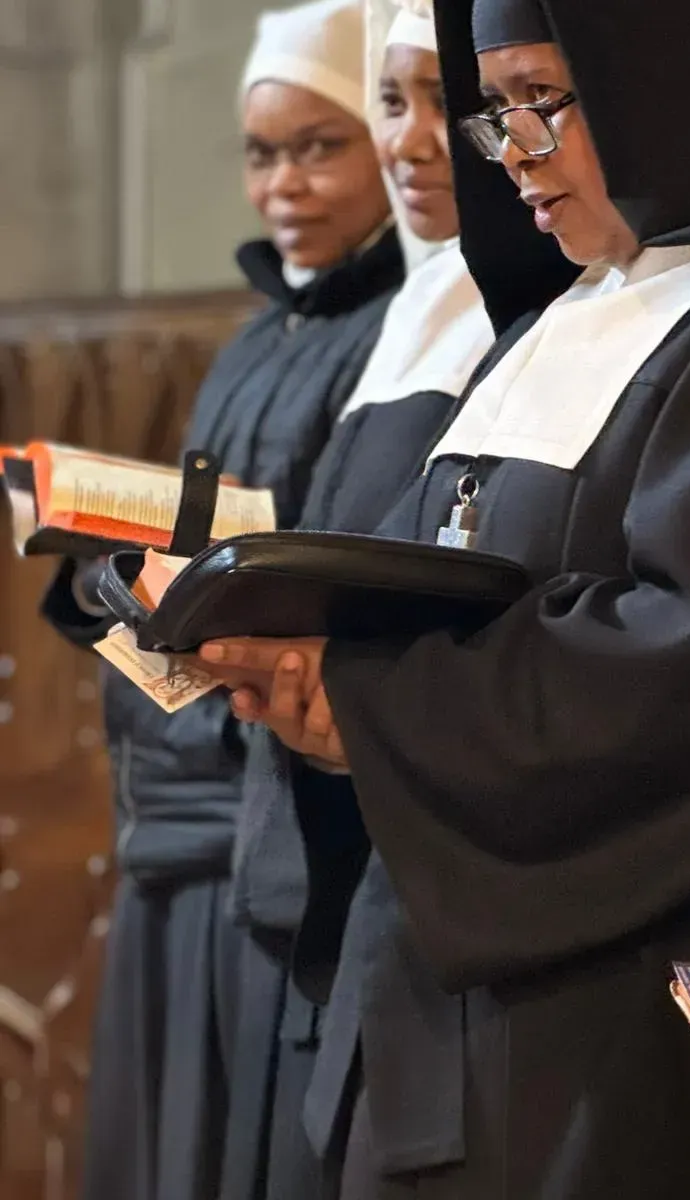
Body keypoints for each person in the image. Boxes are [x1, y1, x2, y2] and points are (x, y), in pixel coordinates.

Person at [197, 0, 690, 1197]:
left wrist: (373, 708)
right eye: (496, 111)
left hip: (647, 1037)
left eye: (545, 103)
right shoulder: (565, 313)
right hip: (466, 997)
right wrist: (314, 665)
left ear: (674, 78)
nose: (512, 155)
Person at [39, 4, 403, 1199]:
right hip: (167, 811)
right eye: (262, 153)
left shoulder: (407, 330)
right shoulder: (254, 336)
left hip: (258, 809)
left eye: (321, 145)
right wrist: (101, 560)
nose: (284, 184)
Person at [219, 4, 508, 1198]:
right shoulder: (415, 313)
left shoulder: (518, 314)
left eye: (456, 102)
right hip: (307, 835)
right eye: (392, 102)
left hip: (433, 891)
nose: (414, 141)